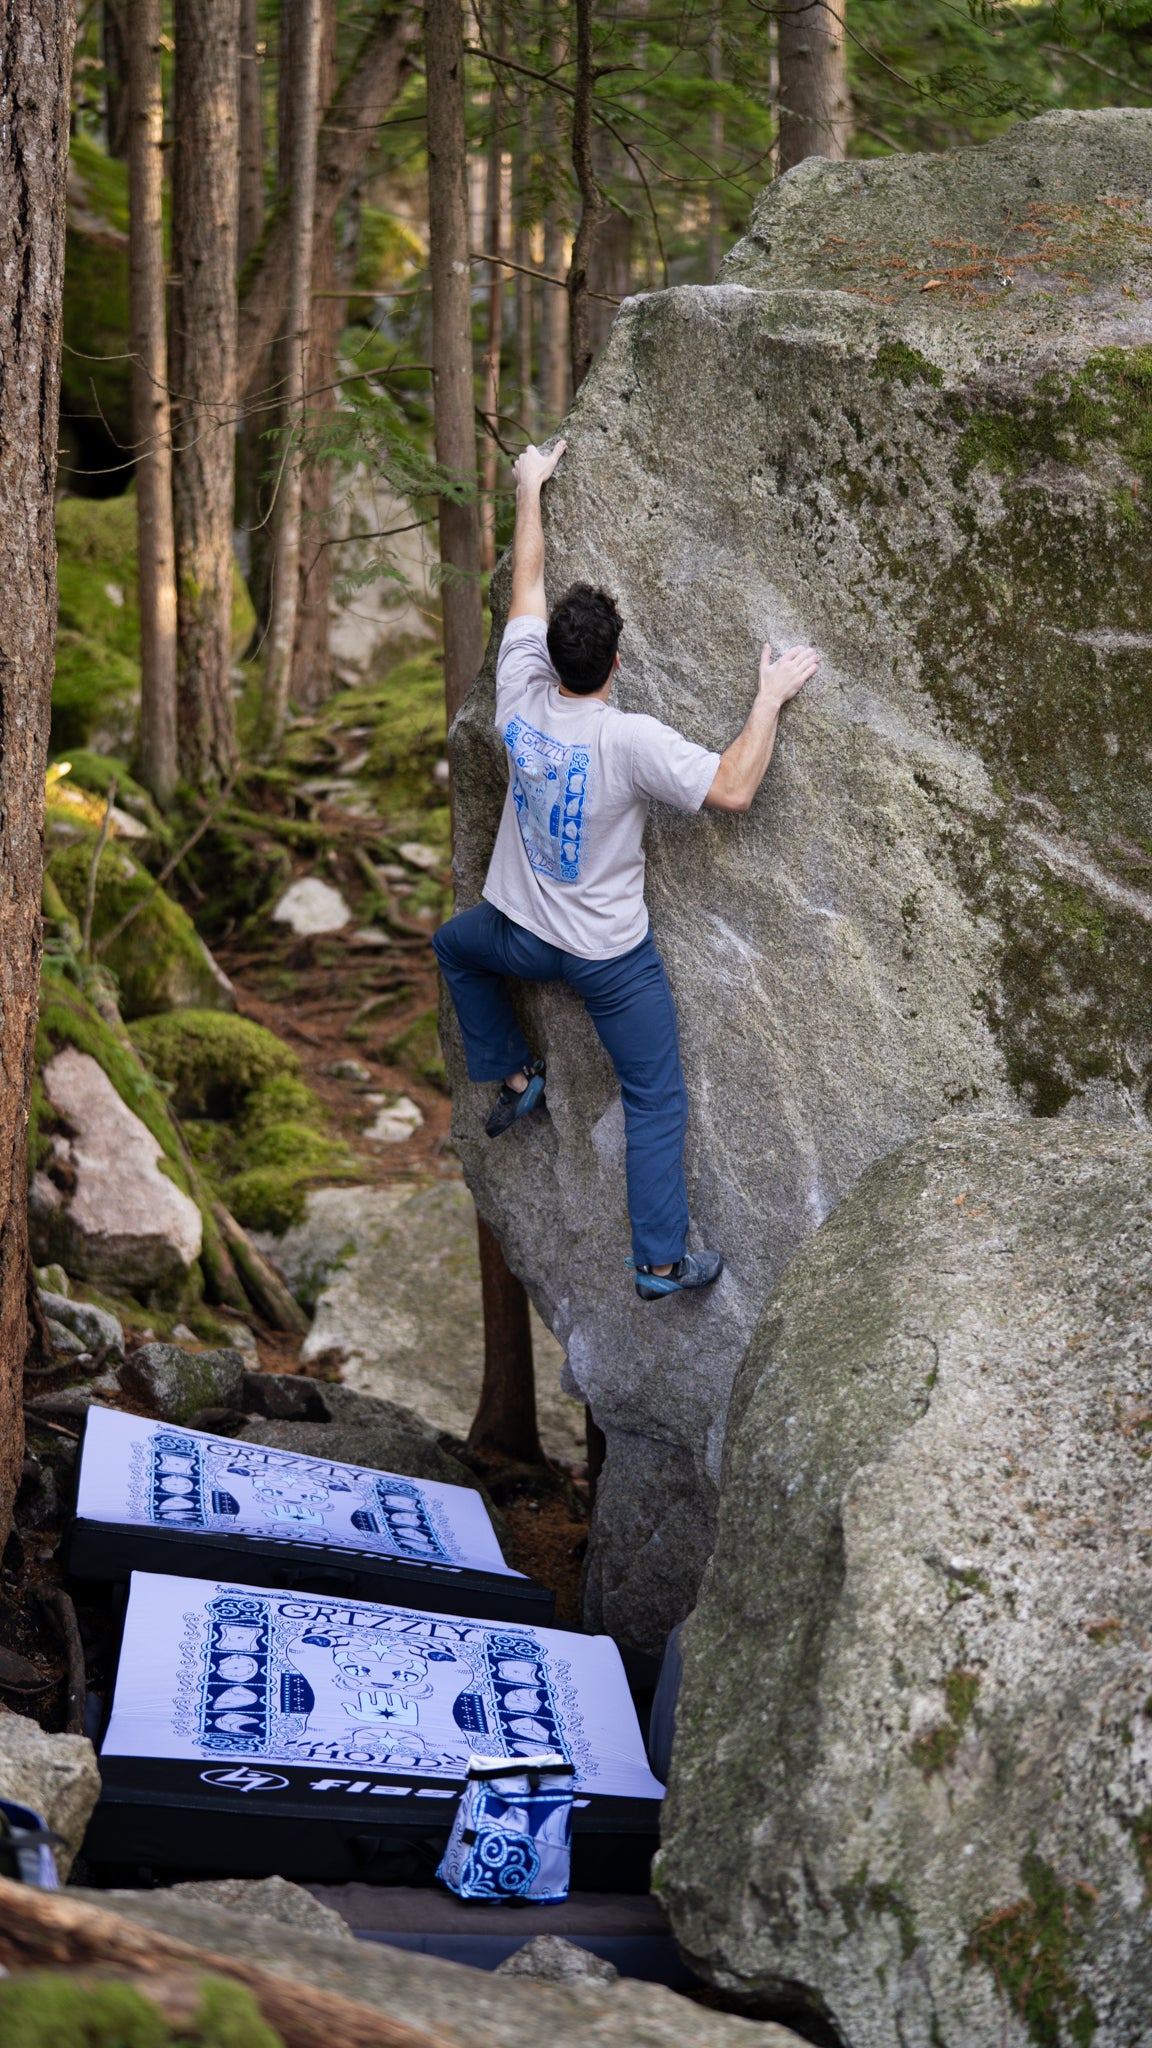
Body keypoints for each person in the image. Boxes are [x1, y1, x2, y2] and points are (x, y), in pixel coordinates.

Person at [433, 440, 818, 1302]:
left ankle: (517, 1075)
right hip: (609, 960)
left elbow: (526, 586)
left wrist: (529, 484)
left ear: (551, 659)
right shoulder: (627, 739)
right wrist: (768, 700)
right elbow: (732, 788)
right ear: (614, 664)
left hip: (520, 937)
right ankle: (658, 1261)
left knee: (455, 946)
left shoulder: (516, 694)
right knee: (654, 1096)